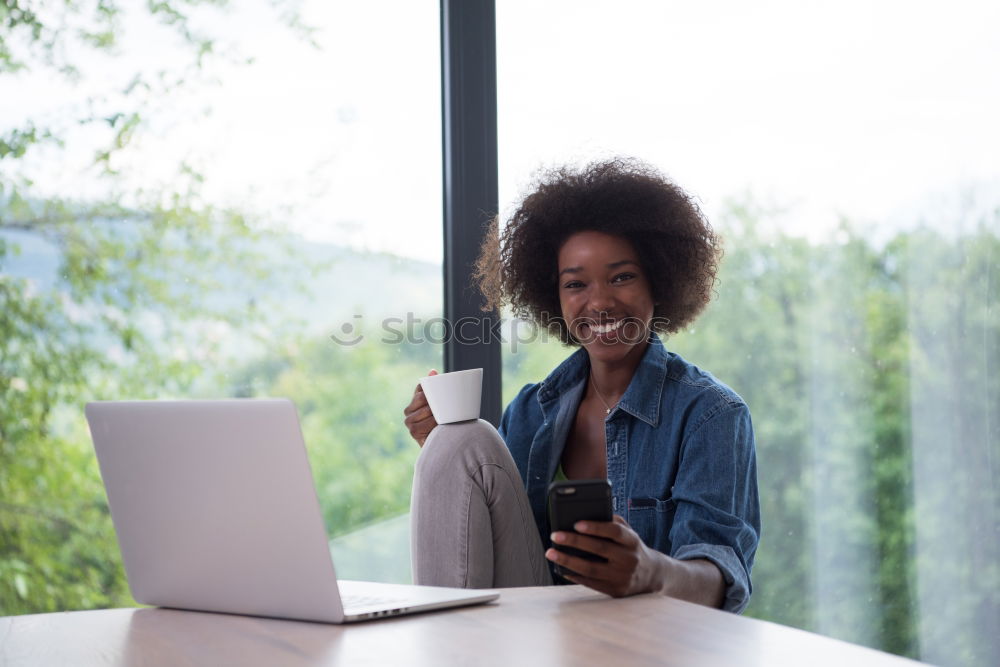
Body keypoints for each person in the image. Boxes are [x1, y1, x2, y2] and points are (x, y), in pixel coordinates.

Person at [403, 158, 760, 613]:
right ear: (554, 297)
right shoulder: (532, 410)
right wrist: (441, 448)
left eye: (622, 277)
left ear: (659, 280)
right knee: (461, 439)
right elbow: (497, 543)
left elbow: (720, 578)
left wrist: (649, 571)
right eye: (576, 284)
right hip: (535, 633)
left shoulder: (710, 414)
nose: (600, 302)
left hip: (652, 642)